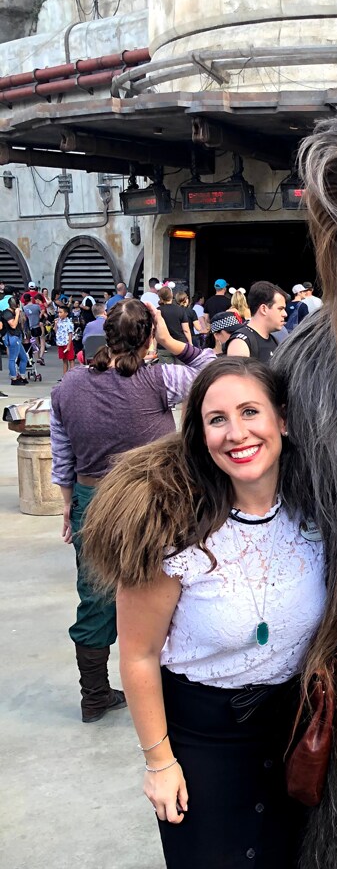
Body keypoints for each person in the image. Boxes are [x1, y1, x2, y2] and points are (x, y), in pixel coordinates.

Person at [79, 357, 327, 869]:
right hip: (202, 735)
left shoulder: (320, 514)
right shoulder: (174, 528)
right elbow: (140, 655)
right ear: (198, 433)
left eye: (251, 413)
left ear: (283, 421)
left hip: (289, 732)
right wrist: (160, 760)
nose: (236, 432)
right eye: (216, 419)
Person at [50, 299, 216, 723]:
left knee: (96, 594)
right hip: (156, 498)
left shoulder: (67, 387)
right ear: (148, 337)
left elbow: (62, 452)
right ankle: (166, 688)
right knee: (169, 588)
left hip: (94, 501)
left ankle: (94, 694)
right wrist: (173, 342)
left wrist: (69, 506)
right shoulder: (160, 378)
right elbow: (215, 371)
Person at [224, 281, 287, 363]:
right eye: (280, 309)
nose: (285, 314)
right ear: (263, 309)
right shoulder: (241, 343)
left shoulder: (274, 340)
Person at [157, 285, 192, 360]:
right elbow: (186, 330)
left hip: (163, 346)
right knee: (181, 370)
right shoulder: (180, 310)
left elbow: (154, 330)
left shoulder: (158, 311)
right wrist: (190, 343)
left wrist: (153, 348)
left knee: (166, 371)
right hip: (180, 344)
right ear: (172, 295)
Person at [1, 294, 29, 386]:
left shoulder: (12, 312)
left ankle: (22, 376)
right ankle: (13, 378)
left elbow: (22, 321)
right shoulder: (7, 313)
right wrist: (17, 314)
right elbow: (13, 325)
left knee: (24, 358)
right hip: (12, 336)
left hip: (17, 336)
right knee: (12, 359)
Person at [55, 302, 76, 375]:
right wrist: (55, 324)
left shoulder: (69, 323)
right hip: (60, 342)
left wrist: (69, 345)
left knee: (71, 359)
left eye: (61, 312)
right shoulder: (59, 321)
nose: (59, 314)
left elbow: (70, 334)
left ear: (66, 313)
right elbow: (56, 331)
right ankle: (64, 375)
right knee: (64, 359)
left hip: (67, 343)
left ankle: (72, 375)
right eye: (58, 312)